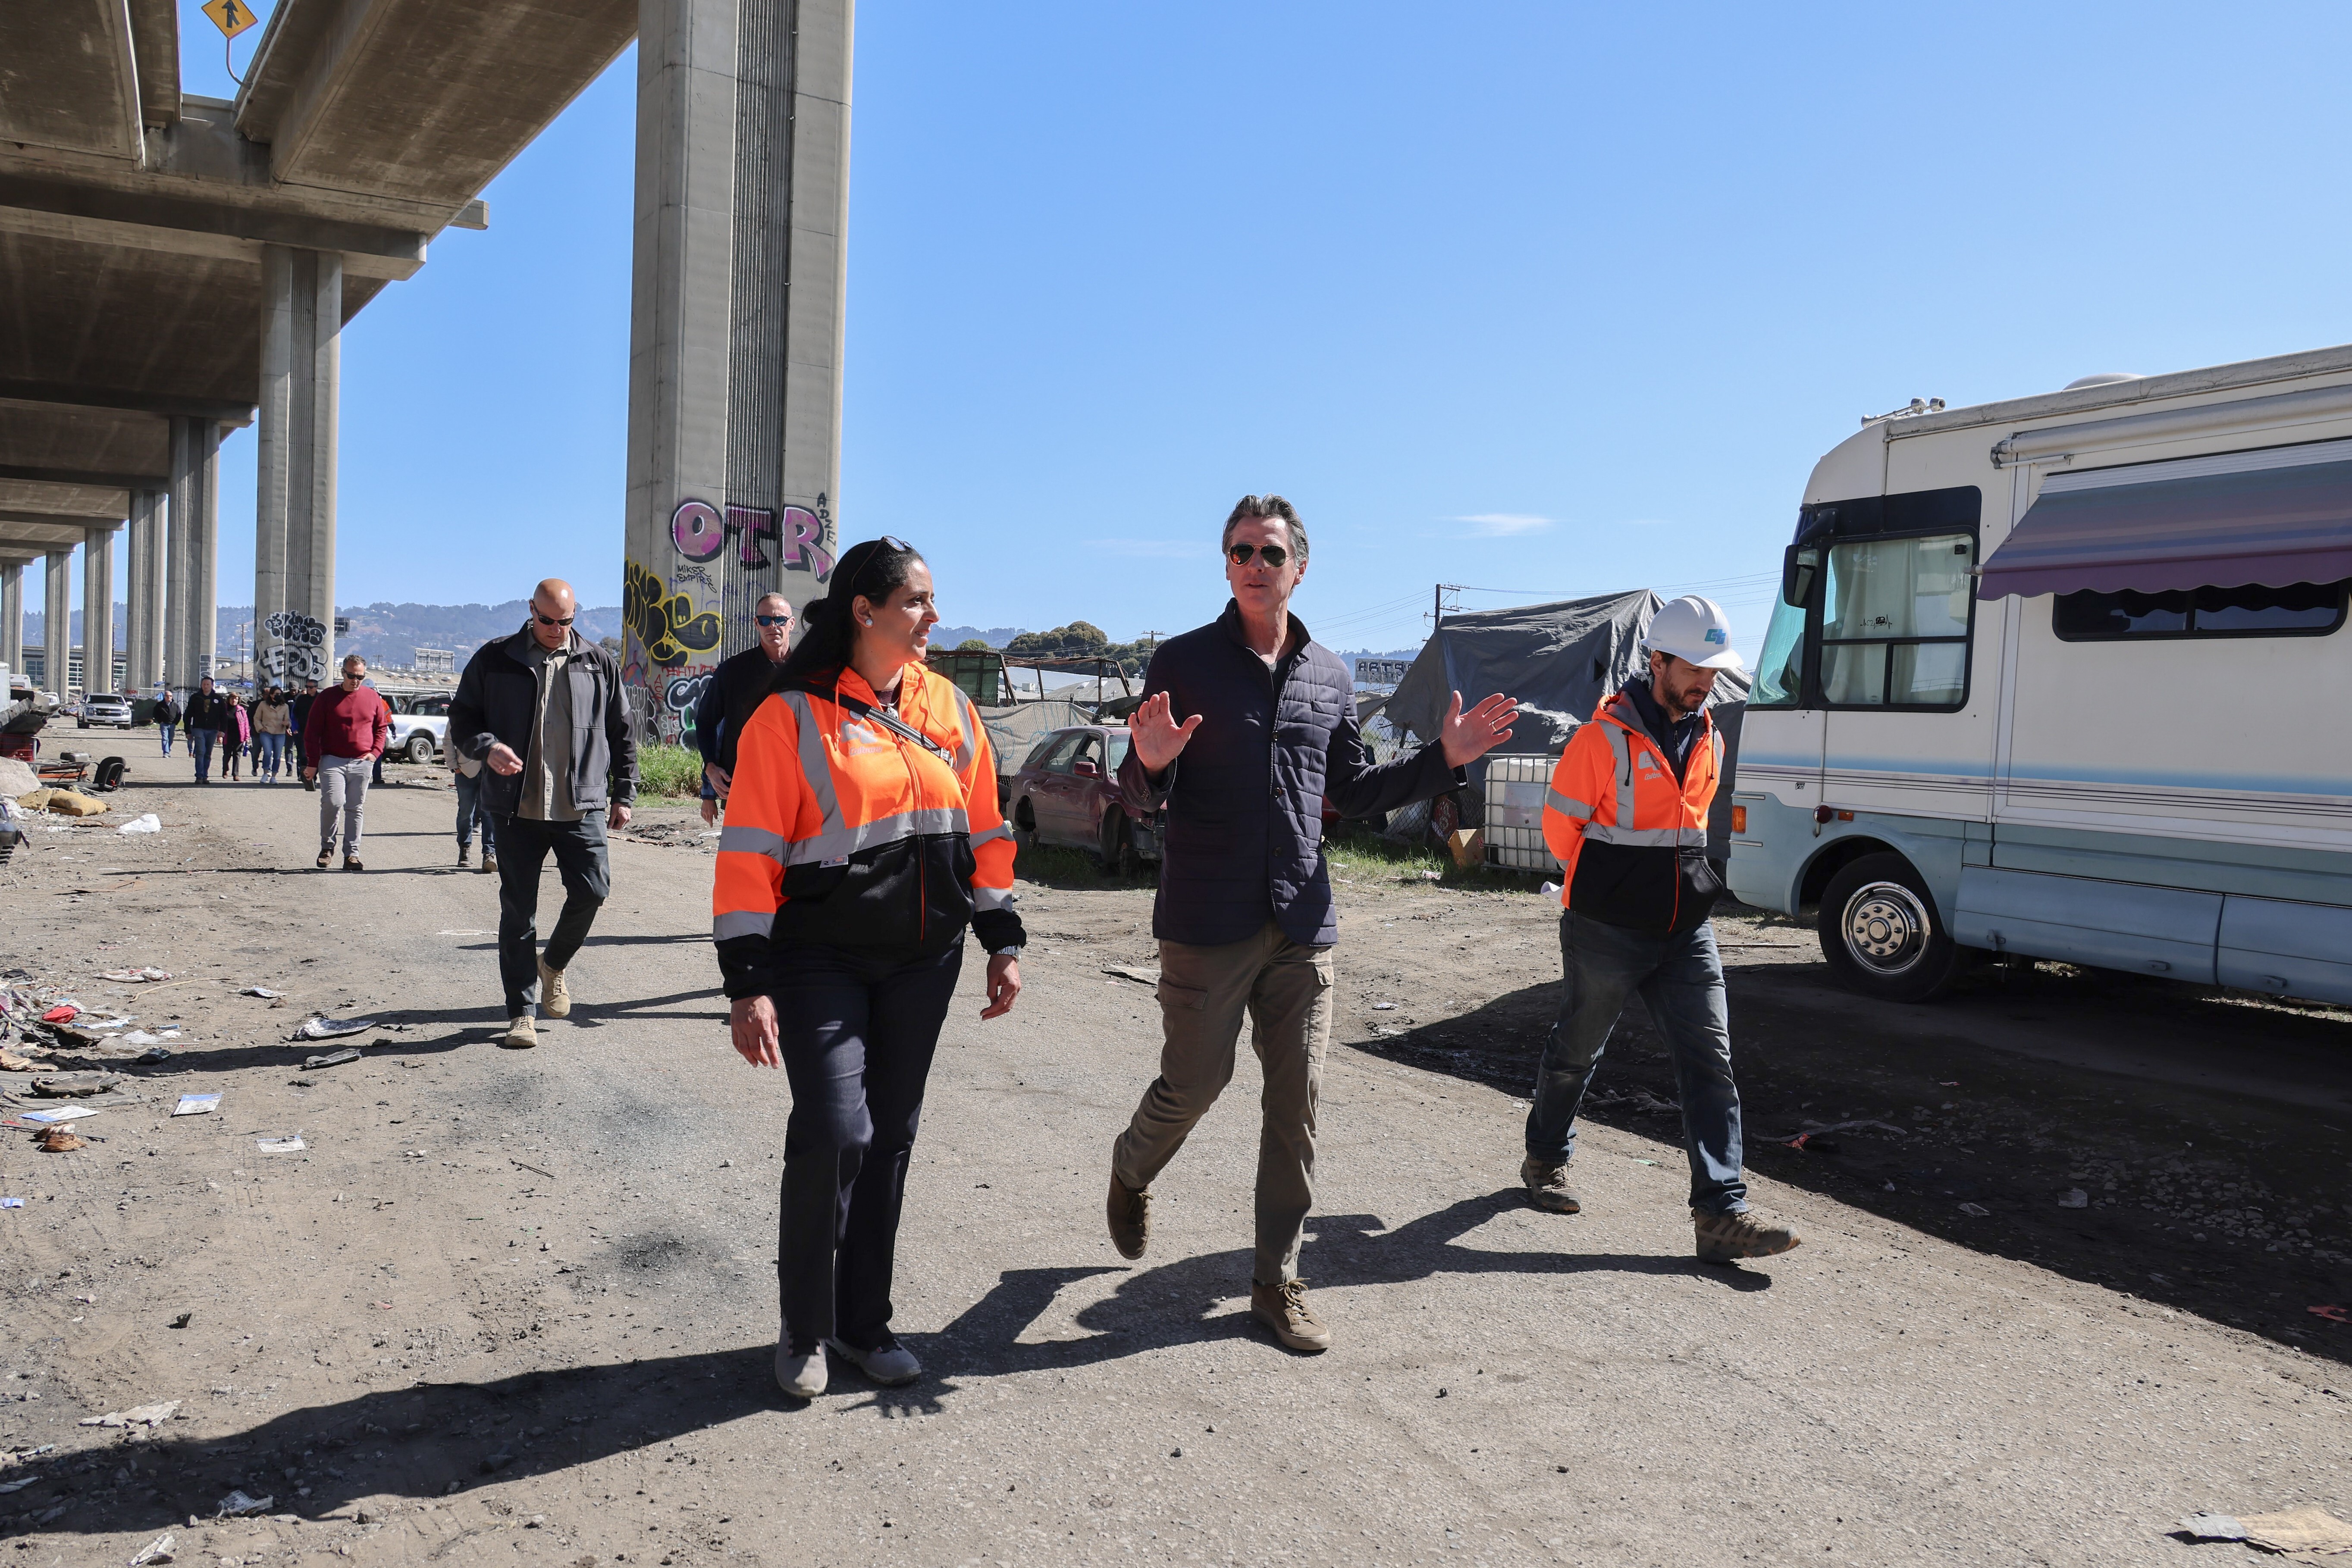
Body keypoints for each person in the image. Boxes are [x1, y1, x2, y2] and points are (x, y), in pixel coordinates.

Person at [1104, 495, 1520, 1353]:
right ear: (1226, 566)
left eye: (1272, 551)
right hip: (1206, 919)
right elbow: (1136, 793)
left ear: (1301, 566)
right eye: (1241, 550)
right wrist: (1146, 765)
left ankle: (1276, 1281)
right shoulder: (1180, 663)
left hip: (1302, 919)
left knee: (1296, 1105)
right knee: (1196, 1084)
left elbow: (1356, 794)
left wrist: (1445, 760)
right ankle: (1132, 1164)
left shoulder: (1330, 676)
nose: (1256, 563)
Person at [715, 538, 1024, 1399]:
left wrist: (1002, 939)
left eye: (932, 600)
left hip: (927, 962)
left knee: (889, 1140)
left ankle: (861, 1325)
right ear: (866, 610)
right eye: (919, 602)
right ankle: (804, 1325)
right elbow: (747, 856)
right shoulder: (790, 716)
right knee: (837, 1131)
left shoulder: (953, 710)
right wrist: (747, 983)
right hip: (819, 960)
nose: (934, 616)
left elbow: (989, 834)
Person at [1523, 596, 1800, 1265]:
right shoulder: (1601, 739)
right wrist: (1613, 889)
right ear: (1658, 662)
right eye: (1695, 667)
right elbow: (1560, 831)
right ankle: (1544, 1159)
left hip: (1686, 932)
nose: (1707, 680)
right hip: (1606, 930)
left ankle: (1720, 1213)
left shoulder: (1710, 734)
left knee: (1710, 1063)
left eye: (1715, 668)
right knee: (1576, 1050)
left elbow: (1692, 827)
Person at [447, 579, 638, 1048]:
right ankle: (521, 1013)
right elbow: (463, 717)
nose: (556, 629)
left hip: (582, 804)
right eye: (547, 620)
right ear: (532, 610)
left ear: (577, 615)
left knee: (593, 890)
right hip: (516, 807)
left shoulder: (598, 662)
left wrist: (625, 794)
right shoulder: (496, 657)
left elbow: (624, 730)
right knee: (519, 912)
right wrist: (487, 748)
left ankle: (552, 964)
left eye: (566, 621)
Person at [695, 591, 795, 826]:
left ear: (791, 623)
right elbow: (706, 722)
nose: (773, 626)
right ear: (756, 624)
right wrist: (710, 767)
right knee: (746, 860)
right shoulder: (733, 671)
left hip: (798, 785)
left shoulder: (810, 671)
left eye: (780, 619)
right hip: (744, 785)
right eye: (765, 620)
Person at [301, 654, 392, 870]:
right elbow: (313, 731)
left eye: (360, 676)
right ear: (342, 673)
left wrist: (375, 753)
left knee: (355, 808)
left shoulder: (373, 698)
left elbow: (381, 728)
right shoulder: (327, 697)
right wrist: (312, 763)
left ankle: (351, 854)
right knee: (332, 803)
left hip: (363, 761)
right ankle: (327, 847)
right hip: (332, 759)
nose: (355, 680)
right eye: (351, 675)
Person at [451, 738, 498, 873]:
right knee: (466, 813)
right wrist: (453, 765)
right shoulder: (462, 715)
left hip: (491, 770)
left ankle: (489, 854)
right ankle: (464, 848)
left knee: (489, 813)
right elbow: (449, 740)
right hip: (465, 771)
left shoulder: (496, 716)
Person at [185, 676, 228, 784]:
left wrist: (222, 731)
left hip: (213, 730)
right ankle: (199, 775)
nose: (206, 686)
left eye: (208, 684)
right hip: (199, 728)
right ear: (201, 685)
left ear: (212, 686)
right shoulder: (195, 698)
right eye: (204, 684)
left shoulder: (218, 699)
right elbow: (188, 715)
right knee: (200, 751)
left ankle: (205, 775)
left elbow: (224, 716)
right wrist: (188, 731)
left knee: (208, 753)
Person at [252, 687, 291, 782]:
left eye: (280, 694)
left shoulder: (285, 706)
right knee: (268, 753)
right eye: (276, 694)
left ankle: (274, 776)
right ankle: (266, 773)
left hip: (280, 733)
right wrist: (261, 728)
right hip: (267, 732)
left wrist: (287, 724)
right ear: (271, 695)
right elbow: (257, 718)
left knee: (277, 755)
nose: (278, 696)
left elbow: (288, 720)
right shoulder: (263, 704)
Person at [291, 678, 320, 790]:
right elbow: (294, 715)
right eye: (307, 687)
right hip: (303, 732)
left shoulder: (321, 699)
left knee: (317, 756)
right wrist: (295, 728)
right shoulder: (301, 699)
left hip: (318, 732)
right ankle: (305, 776)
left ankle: (314, 777)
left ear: (316, 688)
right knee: (303, 756)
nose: (309, 689)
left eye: (311, 687)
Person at [220, 692, 248, 781]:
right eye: (232, 699)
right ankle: (225, 770)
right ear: (229, 700)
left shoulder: (241, 710)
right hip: (227, 736)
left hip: (239, 735)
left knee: (237, 755)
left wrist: (247, 736)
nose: (234, 701)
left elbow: (246, 723)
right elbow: (219, 723)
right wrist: (219, 735)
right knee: (227, 754)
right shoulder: (224, 709)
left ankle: (236, 774)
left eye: (236, 699)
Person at [152, 688, 179, 757]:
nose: (169, 697)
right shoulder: (160, 705)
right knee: (165, 738)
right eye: (168, 696)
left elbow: (179, 714)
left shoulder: (175, 705)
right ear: (165, 697)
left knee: (171, 738)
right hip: (164, 724)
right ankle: (166, 753)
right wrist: (160, 721)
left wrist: (176, 722)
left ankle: (168, 749)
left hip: (172, 724)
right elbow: (155, 714)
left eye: (171, 696)